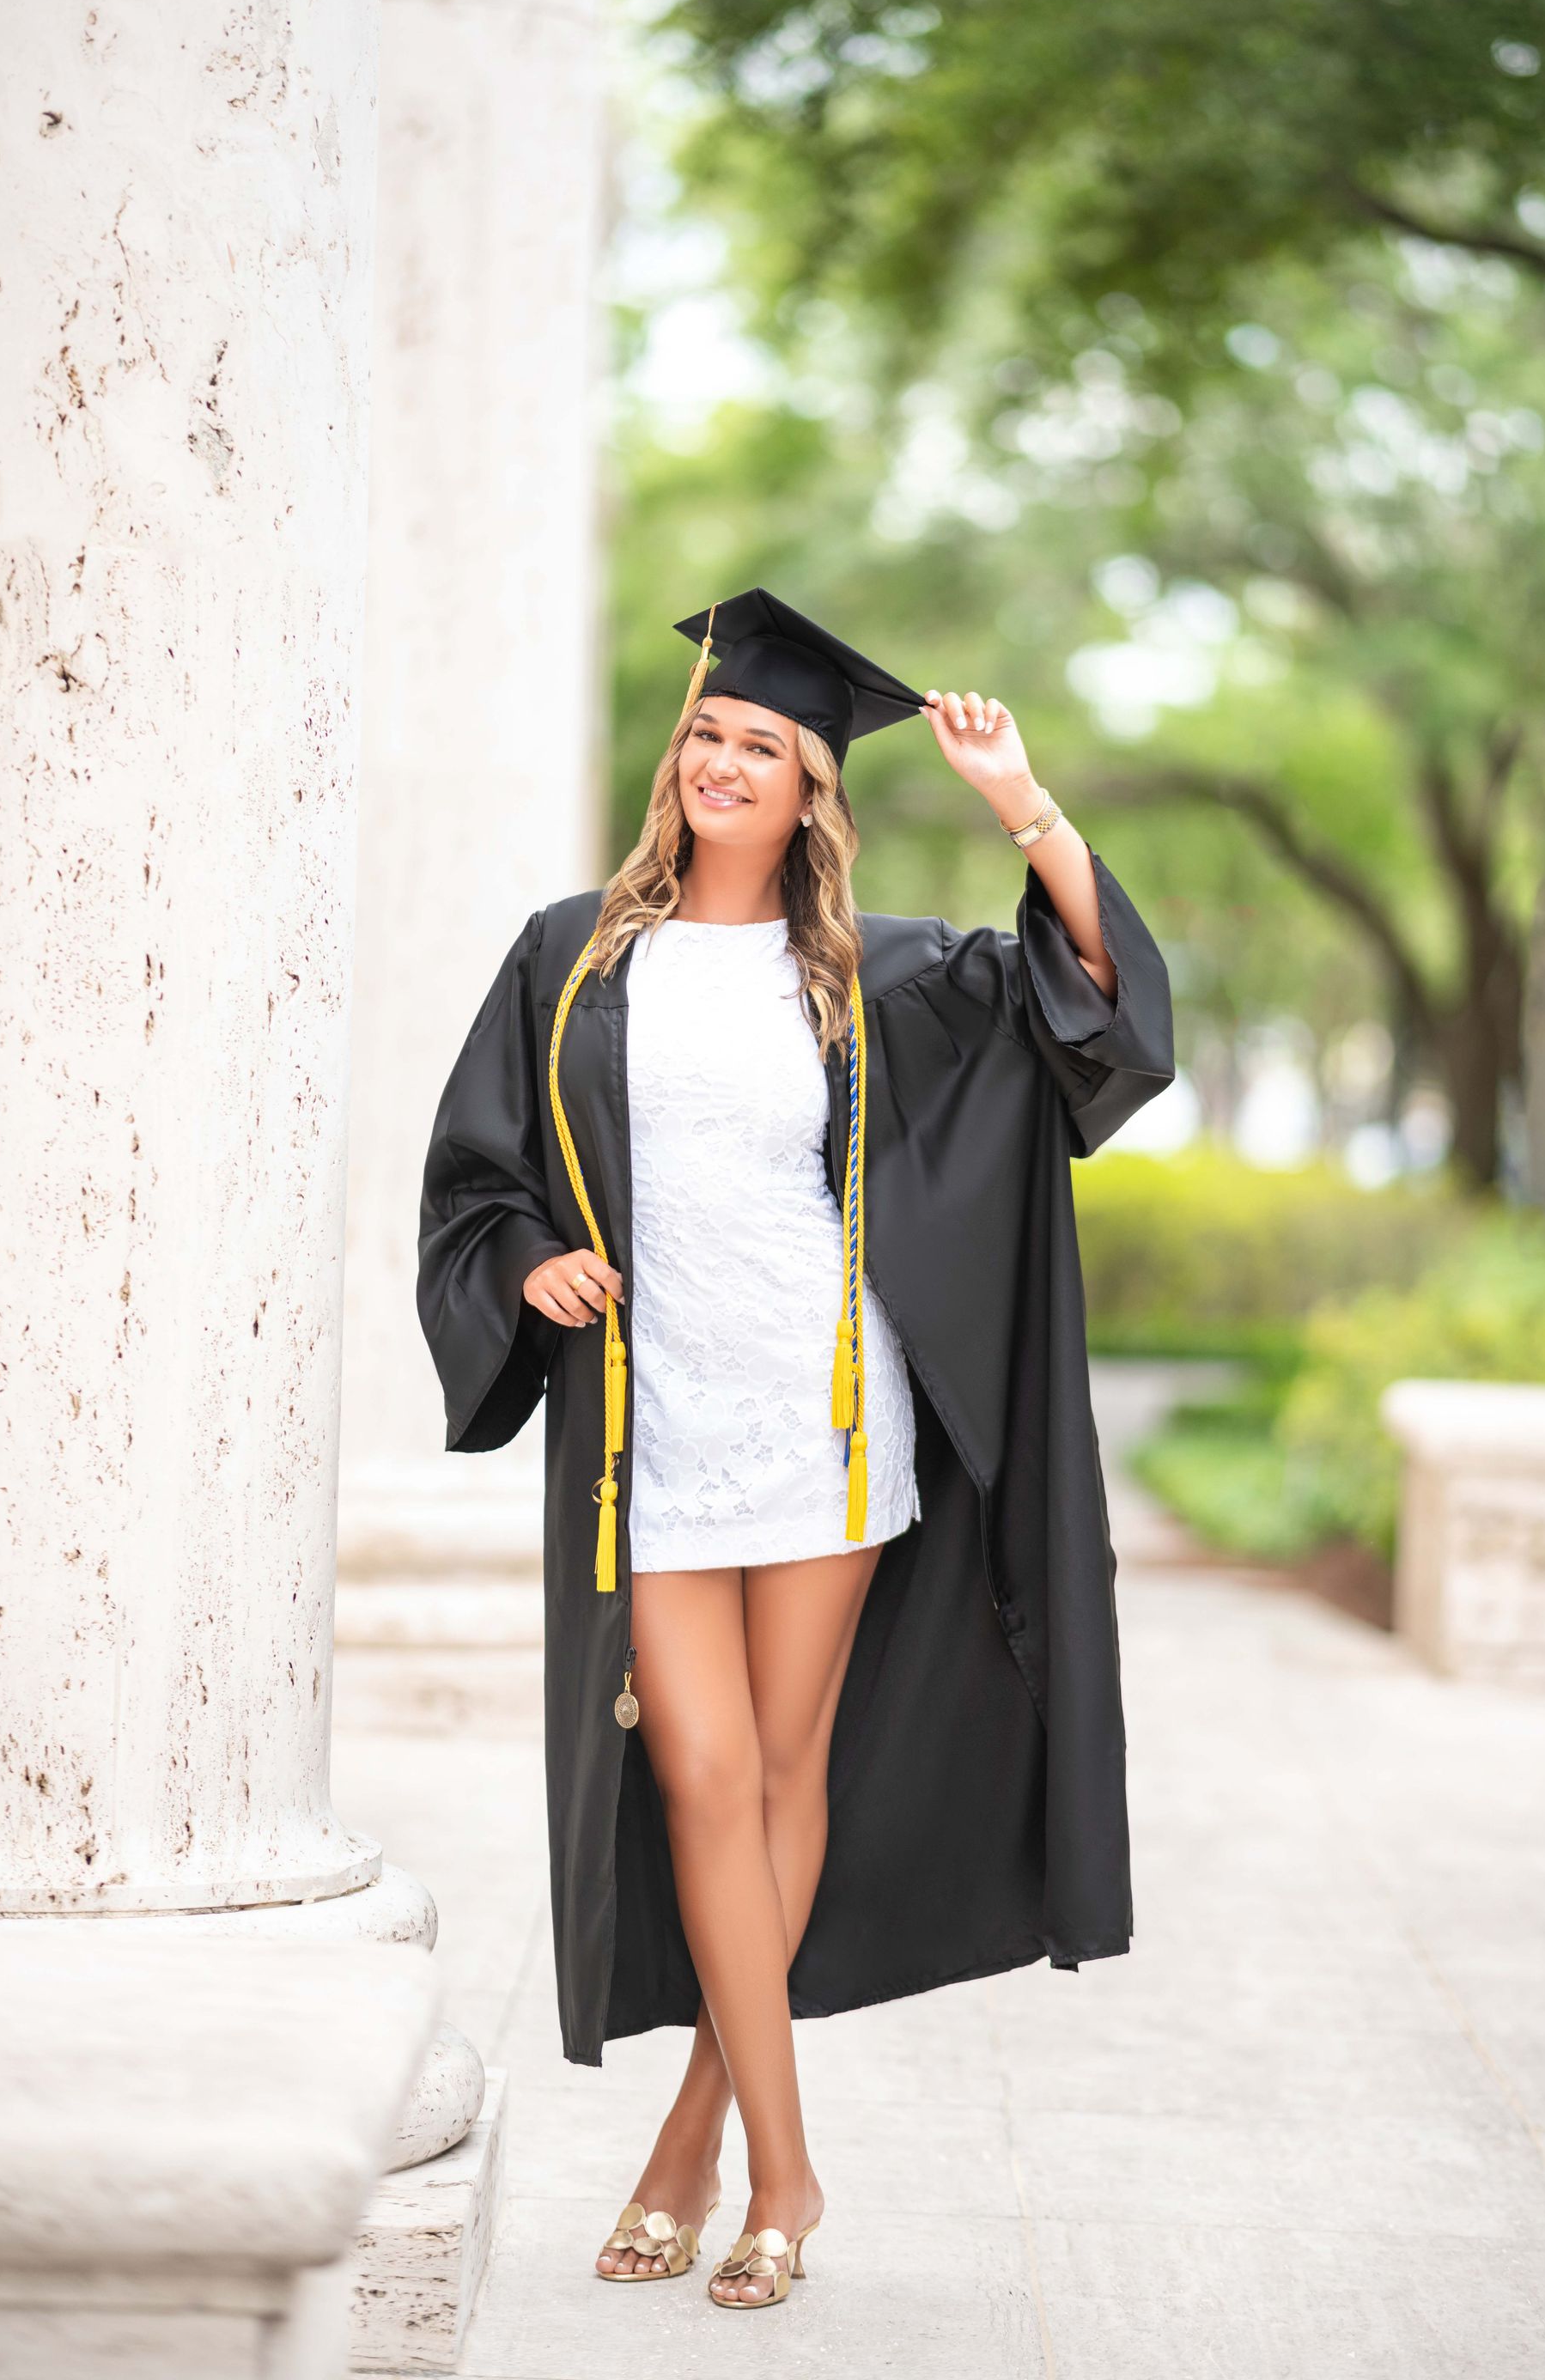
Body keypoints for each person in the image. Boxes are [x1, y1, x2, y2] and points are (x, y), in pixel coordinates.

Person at [417, 587, 1173, 2311]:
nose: (724, 761)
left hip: (828, 1421)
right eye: (708, 735)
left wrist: (1024, 807)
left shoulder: (881, 976)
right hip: (654, 1427)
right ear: (676, 758)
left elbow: (1105, 1014)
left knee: (778, 1771)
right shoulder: (569, 963)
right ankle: (782, 2164)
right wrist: (532, 1264)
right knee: (693, 1772)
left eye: (764, 745)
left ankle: (699, 2160)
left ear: (814, 787)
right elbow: (480, 1179)